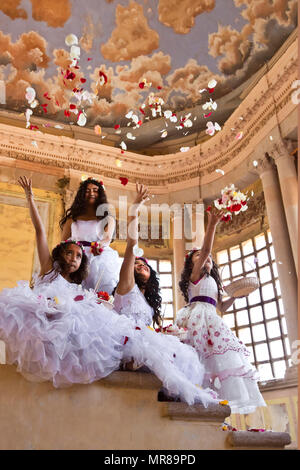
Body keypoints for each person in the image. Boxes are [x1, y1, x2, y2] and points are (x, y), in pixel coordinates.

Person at [0, 177, 217, 406]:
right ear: (60, 253)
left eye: (78, 256)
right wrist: (30, 196)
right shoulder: (48, 270)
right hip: (44, 316)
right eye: (70, 253)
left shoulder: (78, 288)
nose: (74, 258)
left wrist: (128, 215)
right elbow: (40, 231)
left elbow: (117, 243)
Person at [113, 184, 219, 405]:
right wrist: (135, 208)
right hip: (125, 340)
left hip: (144, 338)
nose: (141, 265)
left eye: (145, 265)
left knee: (185, 355)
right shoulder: (126, 285)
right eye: (137, 264)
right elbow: (132, 245)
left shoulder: (147, 302)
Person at [176, 206, 266, 414]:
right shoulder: (195, 276)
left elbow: (221, 307)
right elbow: (207, 249)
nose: (204, 258)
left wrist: (235, 296)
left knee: (216, 359)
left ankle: (211, 400)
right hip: (196, 317)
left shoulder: (214, 283)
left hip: (212, 320)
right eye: (197, 257)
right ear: (191, 265)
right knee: (196, 355)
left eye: (206, 257)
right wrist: (212, 225)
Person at [60, 177, 120, 294]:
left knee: (94, 292)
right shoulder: (72, 218)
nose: (91, 193)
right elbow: (64, 241)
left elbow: (107, 238)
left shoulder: (107, 218)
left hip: (96, 256)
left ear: (100, 193)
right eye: (87, 191)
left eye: (95, 190)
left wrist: (99, 246)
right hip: (75, 255)